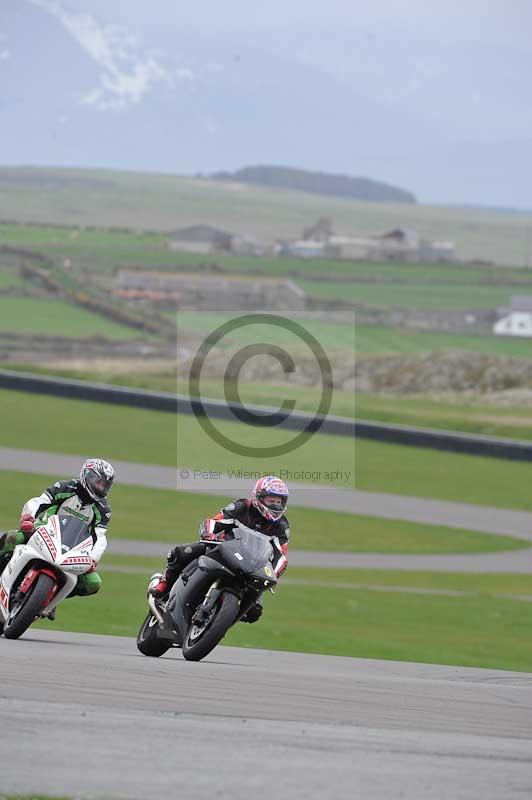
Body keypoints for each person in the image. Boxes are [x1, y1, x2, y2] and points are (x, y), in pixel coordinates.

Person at [150, 475, 290, 623]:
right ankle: (164, 584)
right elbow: (215, 521)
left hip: (251, 566)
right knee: (181, 553)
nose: (275, 505)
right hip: (222, 550)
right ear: (259, 497)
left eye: (279, 502)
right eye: (271, 500)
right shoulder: (241, 507)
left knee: (255, 611)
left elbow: (280, 555)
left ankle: (221, 618)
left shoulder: (282, 526)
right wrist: (209, 534)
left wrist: (273, 574)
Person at [0, 459, 115, 615]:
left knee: (93, 582)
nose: (101, 487)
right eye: (98, 482)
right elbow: (38, 502)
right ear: (86, 476)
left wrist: (93, 559)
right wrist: (28, 518)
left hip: (71, 549)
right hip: (42, 532)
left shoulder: (103, 509)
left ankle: (50, 596)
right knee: (12, 538)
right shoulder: (65, 487)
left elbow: (100, 537)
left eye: (105, 485)